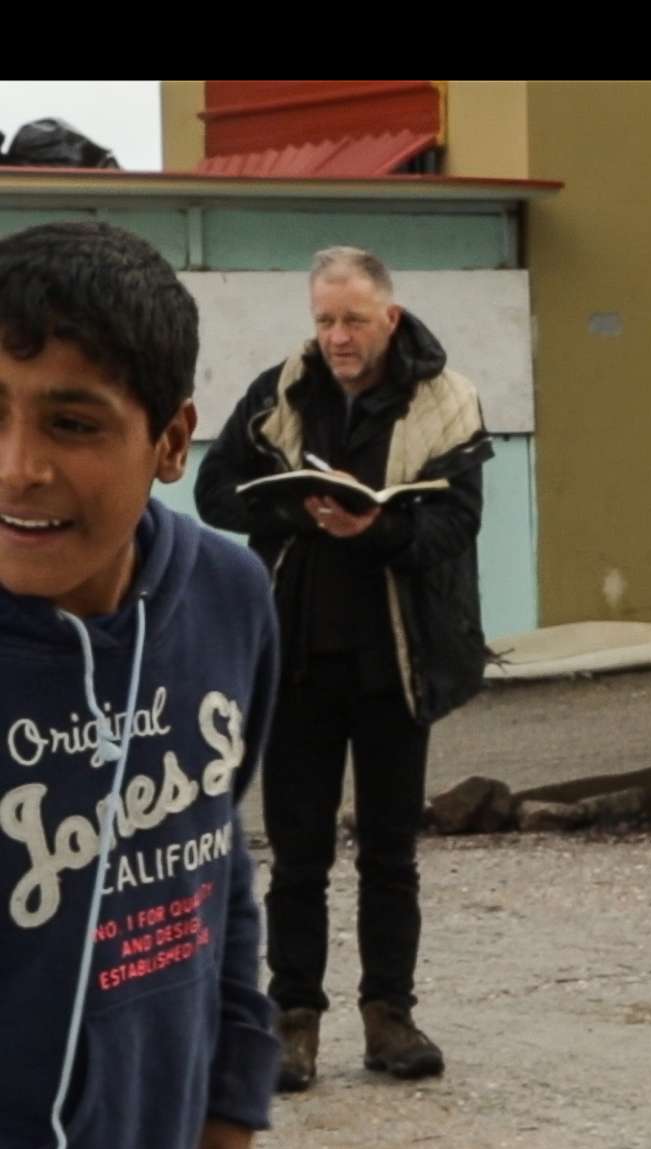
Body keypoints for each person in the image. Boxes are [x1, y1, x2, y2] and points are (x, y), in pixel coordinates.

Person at [0, 222, 281, 1149]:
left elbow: (212, 845)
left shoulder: (225, 597)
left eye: (72, 424)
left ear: (171, 442)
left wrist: (231, 1090)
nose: (20, 467)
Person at [196, 247, 491, 1090]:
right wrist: (302, 508)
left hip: (397, 662)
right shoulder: (281, 392)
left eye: (353, 320)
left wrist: (378, 530)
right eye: (324, 320)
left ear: (389, 318)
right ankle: (293, 1023)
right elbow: (216, 494)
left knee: (390, 852)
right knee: (296, 855)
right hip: (296, 663)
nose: (336, 337)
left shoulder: (446, 402)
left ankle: (388, 1018)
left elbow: (453, 529)